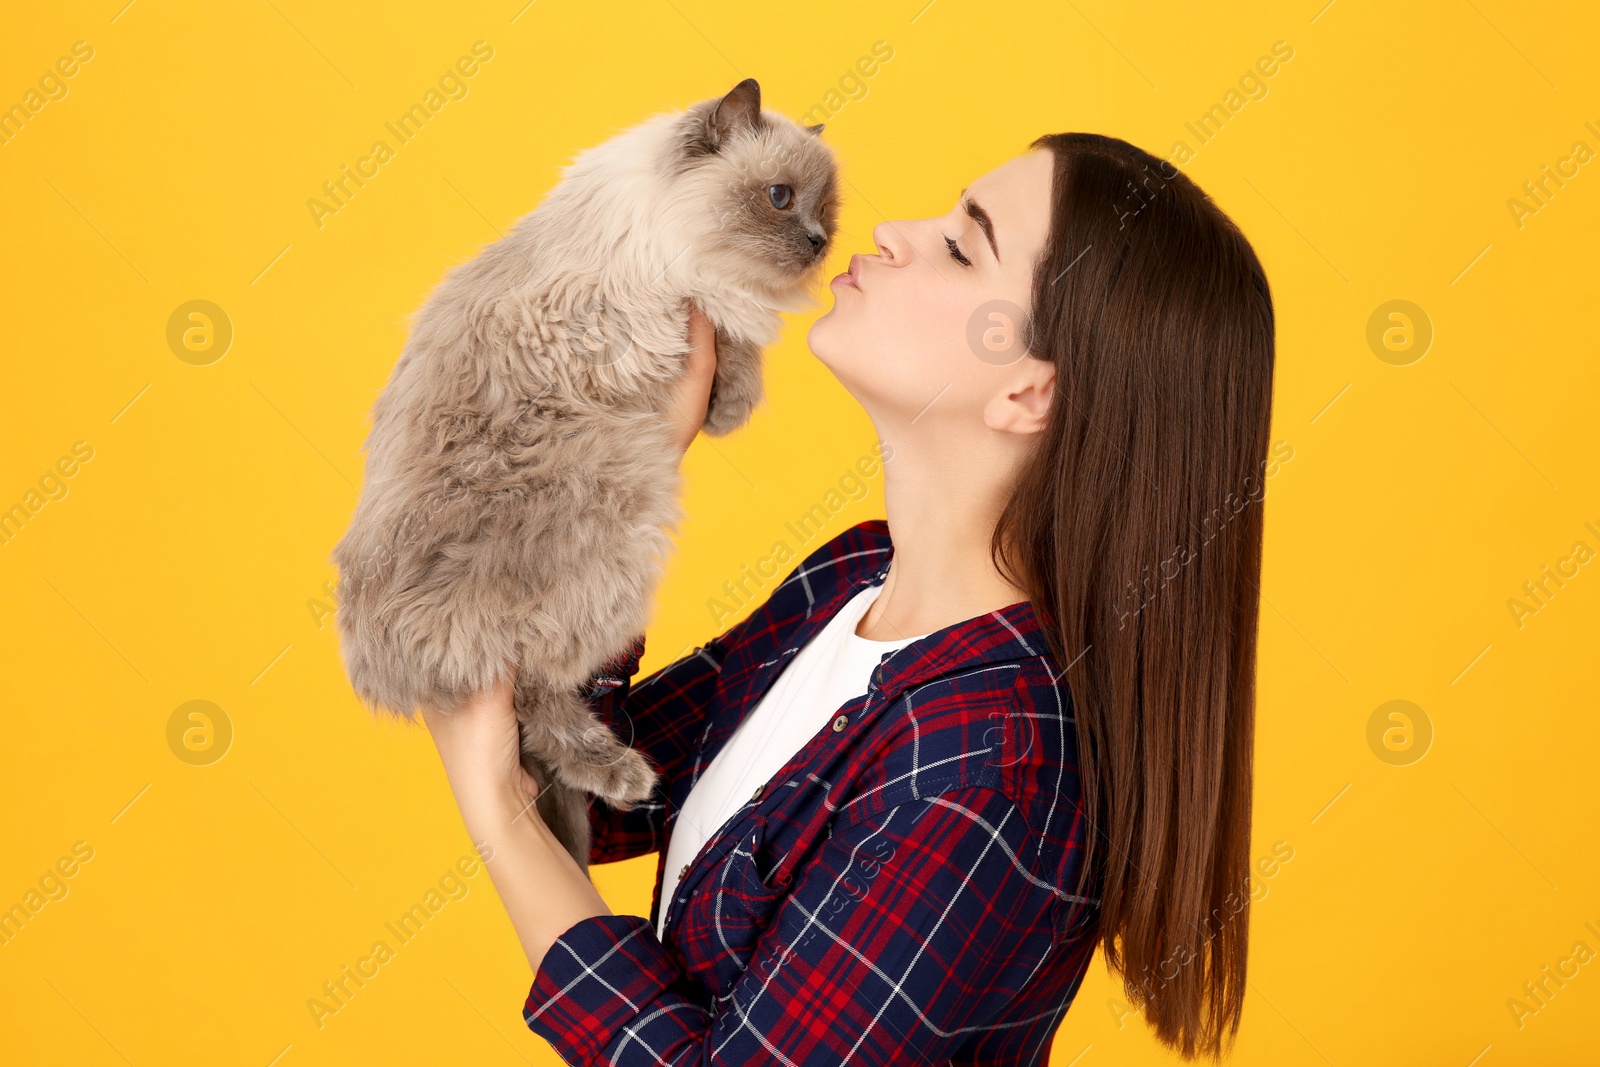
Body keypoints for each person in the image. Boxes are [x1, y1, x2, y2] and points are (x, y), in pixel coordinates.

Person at [421, 132, 1276, 1064]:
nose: (893, 232)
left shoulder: (989, 768)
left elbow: (523, 800)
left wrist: (494, 811)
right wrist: (627, 460)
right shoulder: (858, 578)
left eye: (961, 246)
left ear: (1030, 392)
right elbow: (596, 792)